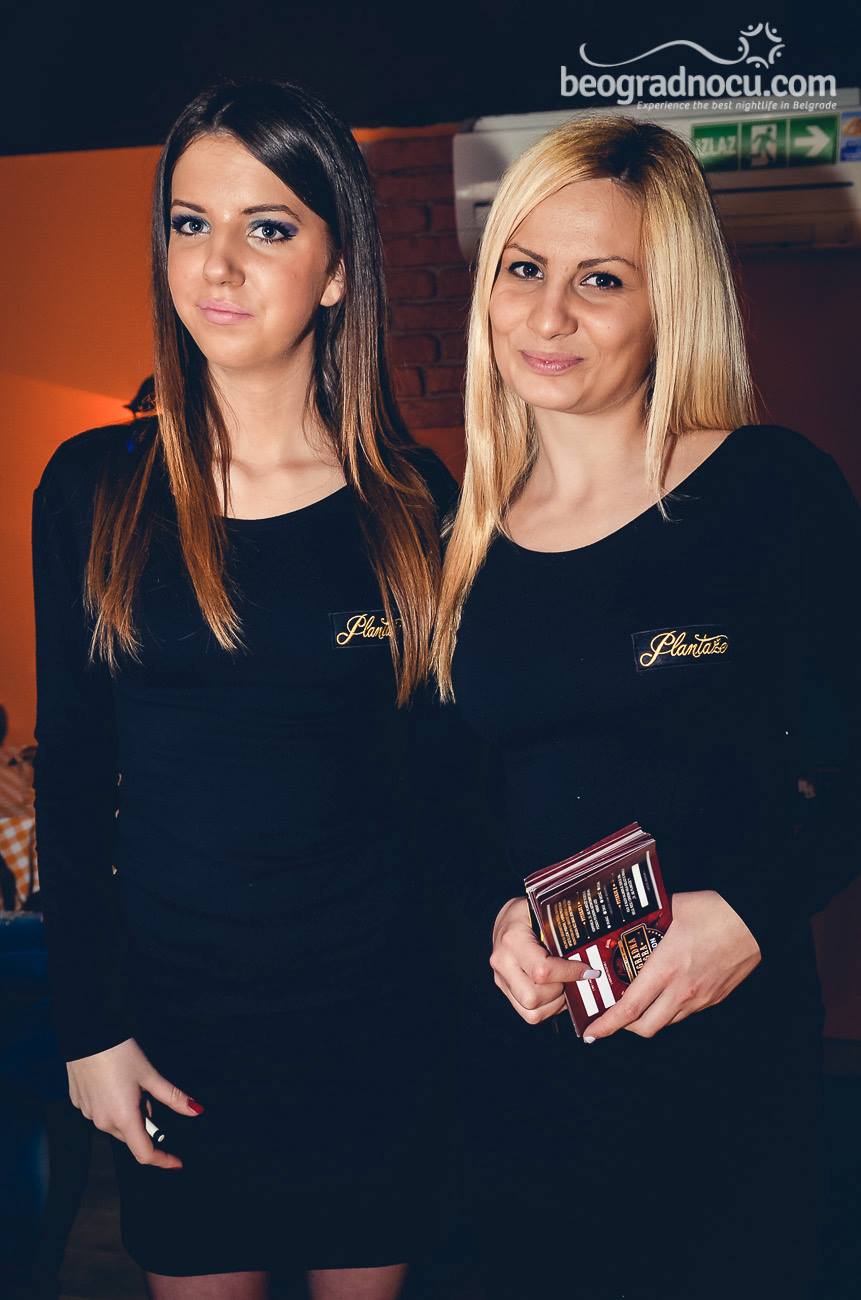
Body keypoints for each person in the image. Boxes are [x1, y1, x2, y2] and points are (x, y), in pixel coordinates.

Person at [32, 78, 457, 1300]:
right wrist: (89, 1028)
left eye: (267, 226)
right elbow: (73, 777)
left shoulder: (413, 502)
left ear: (337, 269)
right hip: (180, 1032)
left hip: (376, 1026)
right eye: (189, 222)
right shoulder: (93, 489)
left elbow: (441, 790)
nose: (216, 264)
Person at [432, 114, 860, 1300]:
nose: (548, 315)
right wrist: (496, 920)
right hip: (526, 1087)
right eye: (525, 269)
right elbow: (446, 808)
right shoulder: (454, 544)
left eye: (601, 279)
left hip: (730, 1080)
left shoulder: (768, 494)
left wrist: (753, 912)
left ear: (669, 300)